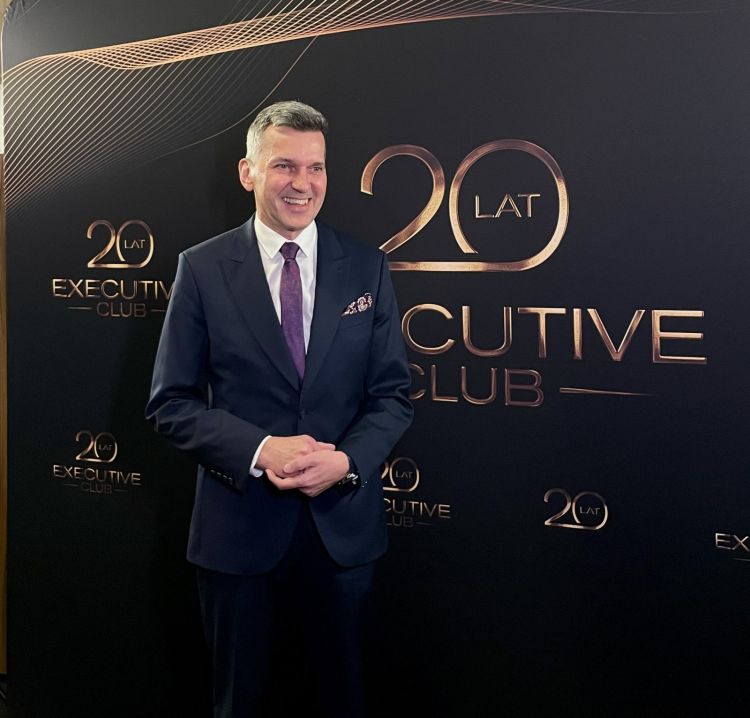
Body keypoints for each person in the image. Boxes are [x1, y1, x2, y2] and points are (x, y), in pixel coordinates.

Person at [146, 100, 413, 717]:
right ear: (248, 172)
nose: (303, 183)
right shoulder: (202, 268)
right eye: (285, 165)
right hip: (238, 534)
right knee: (240, 703)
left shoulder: (366, 266)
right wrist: (261, 450)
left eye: (316, 167)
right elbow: (170, 403)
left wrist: (347, 461)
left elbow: (392, 395)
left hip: (342, 535)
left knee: (342, 700)